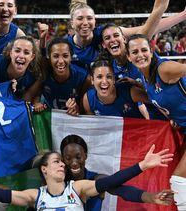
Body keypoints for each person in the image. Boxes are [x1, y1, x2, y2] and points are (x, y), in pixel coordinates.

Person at [0, 144, 173, 210]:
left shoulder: (78, 188)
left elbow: (110, 183)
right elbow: (0, 194)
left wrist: (141, 165)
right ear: (44, 170)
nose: (62, 165)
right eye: (57, 162)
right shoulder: (34, 195)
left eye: (62, 162)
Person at [126, 33, 186, 211]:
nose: (140, 55)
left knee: (178, 179)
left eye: (144, 50)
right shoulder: (145, 78)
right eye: (134, 52)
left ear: (152, 52)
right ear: (128, 57)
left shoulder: (164, 69)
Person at [60, 134, 174, 210]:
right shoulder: (58, 181)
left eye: (78, 157)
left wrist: (152, 197)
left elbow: (123, 191)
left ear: (85, 155)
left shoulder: (96, 179)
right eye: (68, 158)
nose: (74, 163)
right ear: (62, 159)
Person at [67, 0, 172, 70]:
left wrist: (182, 15)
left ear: (95, 21)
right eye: (80, 18)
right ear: (71, 23)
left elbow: (146, 29)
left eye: (89, 18)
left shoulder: (106, 32)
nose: (85, 22)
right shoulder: (65, 46)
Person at [30, 37, 91, 115]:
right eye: (55, 56)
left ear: (71, 57)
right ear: (49, 58)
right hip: (51, 117)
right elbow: (37, 93)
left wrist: (78, 109)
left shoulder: (84, 78)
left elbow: (86, 109)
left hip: (73, 120)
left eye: (65, 56)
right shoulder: (44, 73)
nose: (61, 61)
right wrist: (36, 103)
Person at [82, 59, 149, 118]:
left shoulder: (130, 91)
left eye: (109, 77)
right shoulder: (88, 99)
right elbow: (92, 127)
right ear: (92, 80)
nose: (104, 82)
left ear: (114, 79)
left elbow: (155, 101)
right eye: (99, 77)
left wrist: (139, 85)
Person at [0, 36, 42, 100]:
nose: (21, 56)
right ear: (11, 53)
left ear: (32, 57)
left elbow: (24, 103)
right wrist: (5, 88)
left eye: (26, 53)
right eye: (17, 51)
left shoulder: (35, 75)